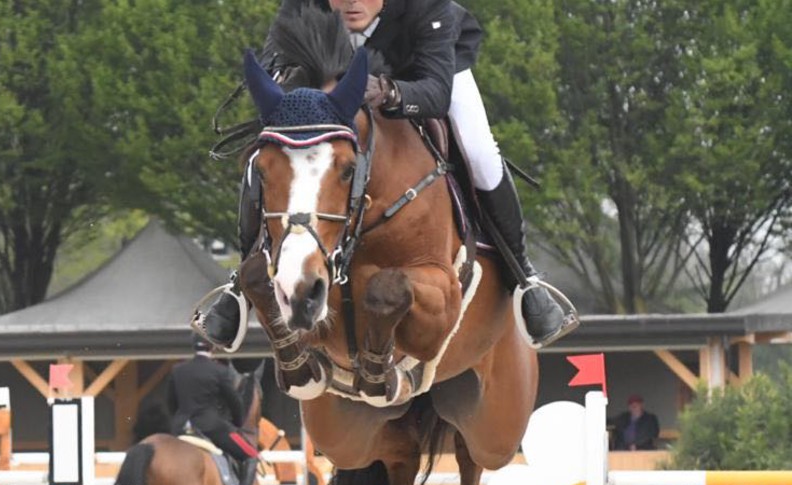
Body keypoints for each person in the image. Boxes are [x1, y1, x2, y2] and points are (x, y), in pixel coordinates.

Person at [194, 0, 577, 350]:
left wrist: (388, 92)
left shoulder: (426, 5)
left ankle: (524, 277)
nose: (351, 2)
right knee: (264, 156)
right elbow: (275, 69)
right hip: (336, 86)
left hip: (422, 73)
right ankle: (239, 285)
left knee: (479, 150)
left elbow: (436, 91)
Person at [166, 334, 264, 485]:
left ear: (194, 347)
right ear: (213, 348)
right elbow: (234, 402)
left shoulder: (178, 370)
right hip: (210, 426)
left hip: (181, 427)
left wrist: (179, 420)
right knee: (251, 455)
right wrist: (236, 423)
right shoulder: (219, 371)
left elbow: (171, 402)